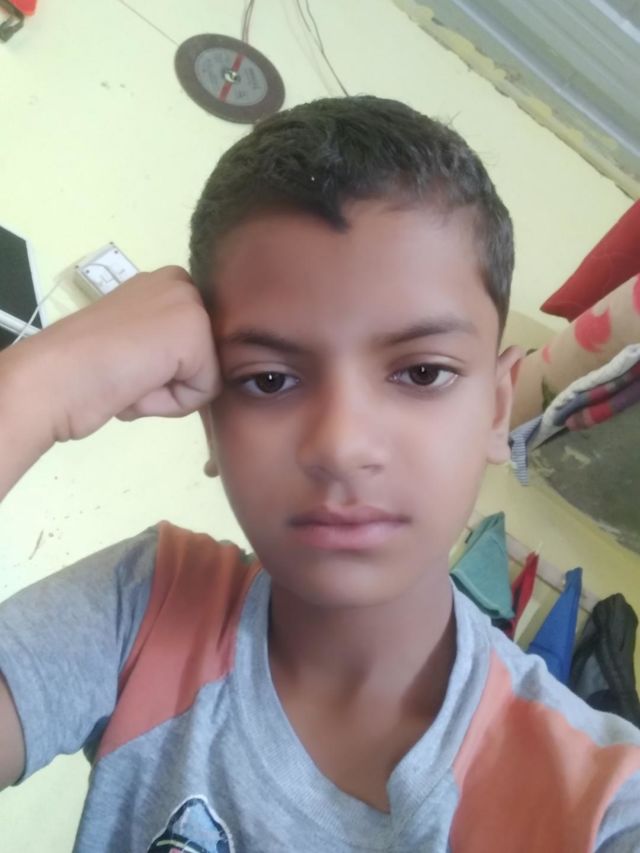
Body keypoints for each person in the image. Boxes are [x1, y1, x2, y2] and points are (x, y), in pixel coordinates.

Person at [0, 96, 638, 853]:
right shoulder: (146, 606)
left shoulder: (599, 804)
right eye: (269, 379)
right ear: (211, 421)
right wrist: (38, 384)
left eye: (422, 372)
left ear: (499, 409)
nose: (341, 445)